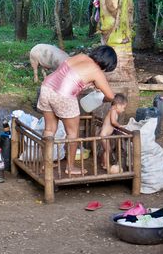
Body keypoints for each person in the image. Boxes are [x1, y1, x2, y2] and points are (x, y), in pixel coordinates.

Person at [36, 45, 118, 175]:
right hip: (64, 95)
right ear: (107, 63)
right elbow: (110, 96)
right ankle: (70, 167)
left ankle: (46, 164)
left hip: (46, 88)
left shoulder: (81, 56)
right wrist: (103, 99)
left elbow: (68, 75)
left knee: (49, 129)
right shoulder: (97, 72)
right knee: (72, 134)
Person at [98, 93, 128, 173]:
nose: (123, 110)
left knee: (107, 150)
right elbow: (113, 122)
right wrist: (120, 126)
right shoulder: (113, 110)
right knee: (108, 150)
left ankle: (102, 163)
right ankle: (106, 165)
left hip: (105, 135)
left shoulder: (113, 110)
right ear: (118, 105)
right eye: (123, 107)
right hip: (104, 135)